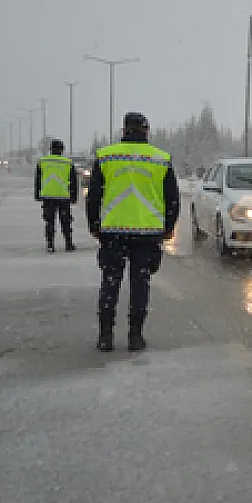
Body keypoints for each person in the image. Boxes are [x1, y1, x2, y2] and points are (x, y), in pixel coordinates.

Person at [85, 112, 179, 352]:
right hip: (147, 234)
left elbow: (94, 195)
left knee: (110, 284)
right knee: (140, 285)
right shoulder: (160, 159)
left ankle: (105, 336)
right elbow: (172, 198)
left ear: (124, 129)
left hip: (113, 232)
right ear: (146, 130)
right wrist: (169, 227)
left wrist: (94, 225)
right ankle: (135, 337)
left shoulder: (106, 157)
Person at [34, 139, 78, 253]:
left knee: (49, 222)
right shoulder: (68, 162)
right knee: (66, 221)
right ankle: (68, 243)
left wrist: (37, 194)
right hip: (63, 196)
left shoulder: (43, 161)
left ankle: (50, 245)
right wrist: (74, 196)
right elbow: (73, 181)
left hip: (48, 196)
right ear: (62, 150)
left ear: (50, 149)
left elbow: (38, 179)